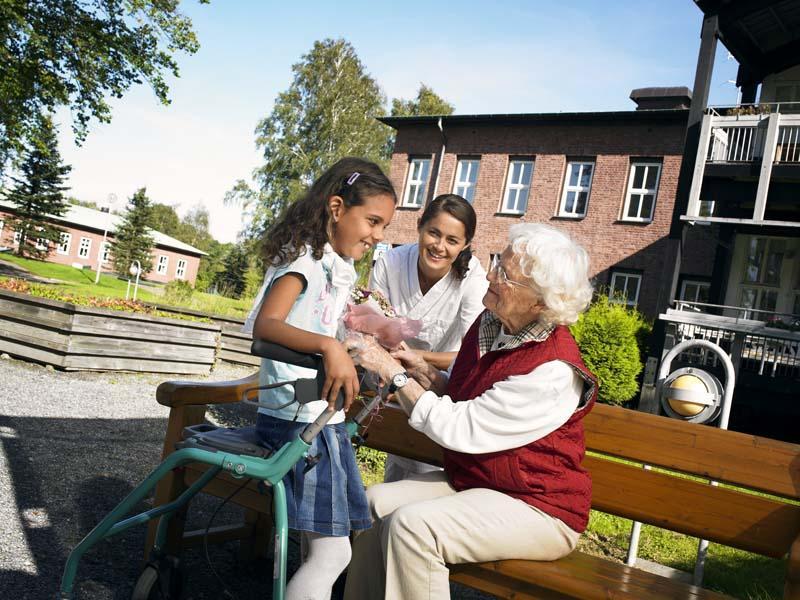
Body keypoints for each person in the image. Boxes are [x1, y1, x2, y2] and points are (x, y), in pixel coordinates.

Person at [343, 223, 597, 600]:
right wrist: (423, 371)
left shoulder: (553, 372)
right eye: (498, 263)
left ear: (542, 303)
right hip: (480, 484)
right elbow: (469, 399)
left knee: (414, 528)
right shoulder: (493, 323)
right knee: (373, 505)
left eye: (505, 276)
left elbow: (460, 429)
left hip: (539, 507)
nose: (491, 275)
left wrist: (393, 373)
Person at [243, 157, 396, 600]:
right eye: (372, 221)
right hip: (299, 422)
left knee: (328, 551)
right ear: (335, 208)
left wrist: (354, 345)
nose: (378, 235)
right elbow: (267, 325)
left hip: (315, 420)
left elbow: (318, 327)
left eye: (383, 225)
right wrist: (329, 347)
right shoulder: (303, 263)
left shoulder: (329, 265)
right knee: (332, 556)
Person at [369, 194, 487, 482]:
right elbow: (371, 326)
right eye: (433, 233)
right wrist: (392, 362)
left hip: (440, 384)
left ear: (465, 245)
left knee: (425, 472)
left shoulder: (472, 278)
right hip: (382, 374)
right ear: (420, 226)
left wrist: (419, 360)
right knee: (394, 471)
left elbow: (474, 355)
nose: (439, 246)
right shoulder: (391, 263)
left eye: (452, 240)